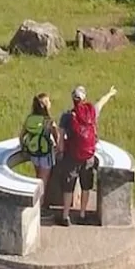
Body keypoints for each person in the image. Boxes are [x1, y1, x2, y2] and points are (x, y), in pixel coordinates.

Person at [54, 83, 117, 226]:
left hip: (72, 156)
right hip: (88, 155)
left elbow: (61, 137)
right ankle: (82, 214)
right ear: (84, 98)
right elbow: (101, 103)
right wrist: (110, 93)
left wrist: (60, 152)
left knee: (68, 187)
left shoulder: (67, 116)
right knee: (86, 186)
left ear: (73, 99)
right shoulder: (92, 111)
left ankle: (65, 216)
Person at [18, 92, 59, 188]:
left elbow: (21, 135)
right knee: (42, 183)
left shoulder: (30, 119)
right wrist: (57, 146)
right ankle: (40, 202)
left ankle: (37, 200)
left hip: (34, 152)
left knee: (38, 178)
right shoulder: (48, 121)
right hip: (45, 153)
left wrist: (23, 148)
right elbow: (57, 136)